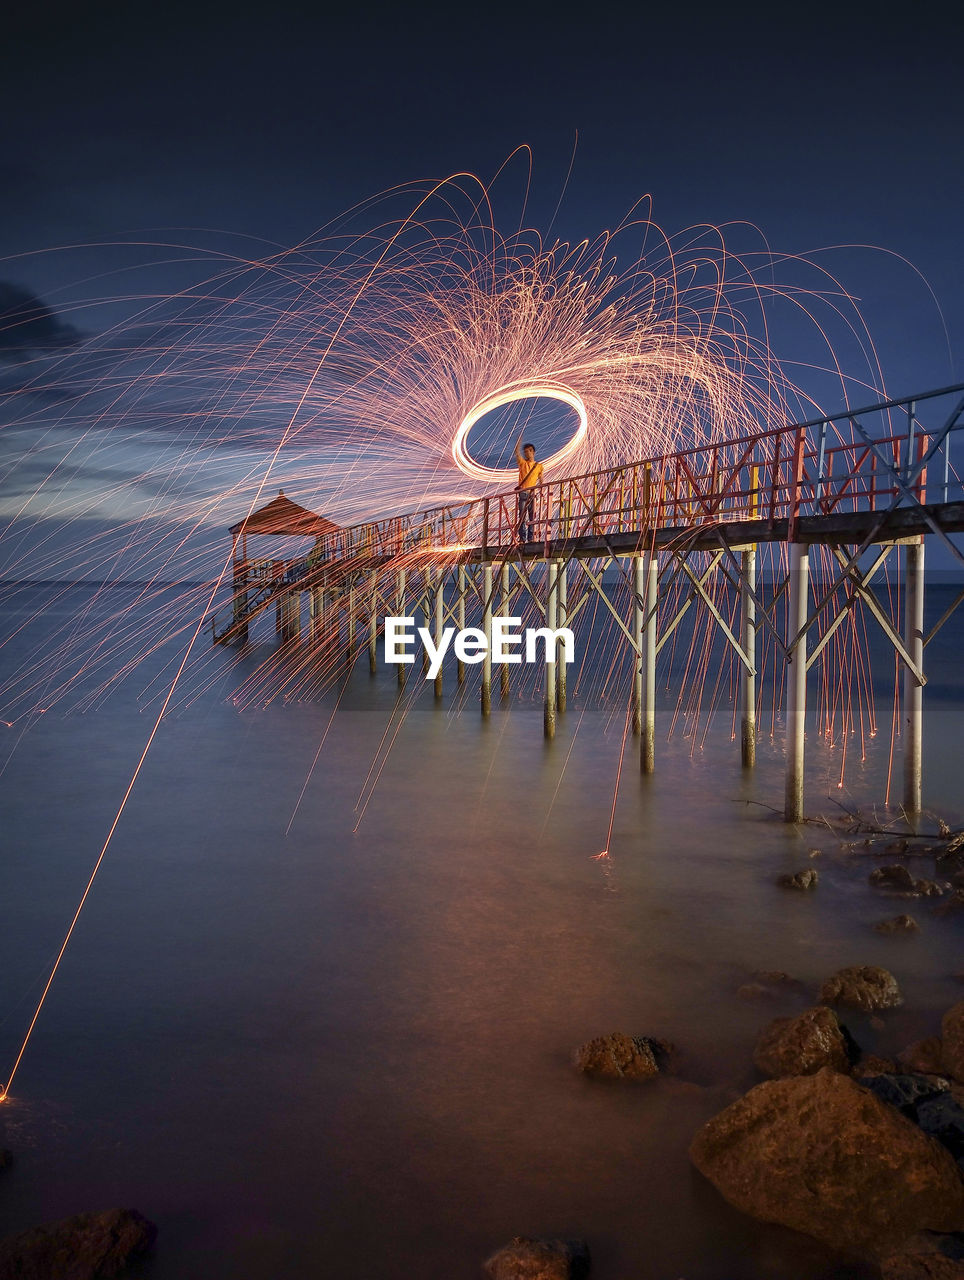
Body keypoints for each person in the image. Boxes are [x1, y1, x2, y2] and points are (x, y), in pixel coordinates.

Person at [514, 435, 544, 541]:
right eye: (525, 452)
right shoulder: (523, 463)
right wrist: (518, 443)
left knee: (532, 517)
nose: (526, 453)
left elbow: (541, 480)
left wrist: (542, 492)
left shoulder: (539, 466)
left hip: (532, 494)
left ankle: (530, 538)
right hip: (523, 493)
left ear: (533, 452)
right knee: (522, 516)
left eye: (528, 451)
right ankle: (522, 538)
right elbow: (516, 453)